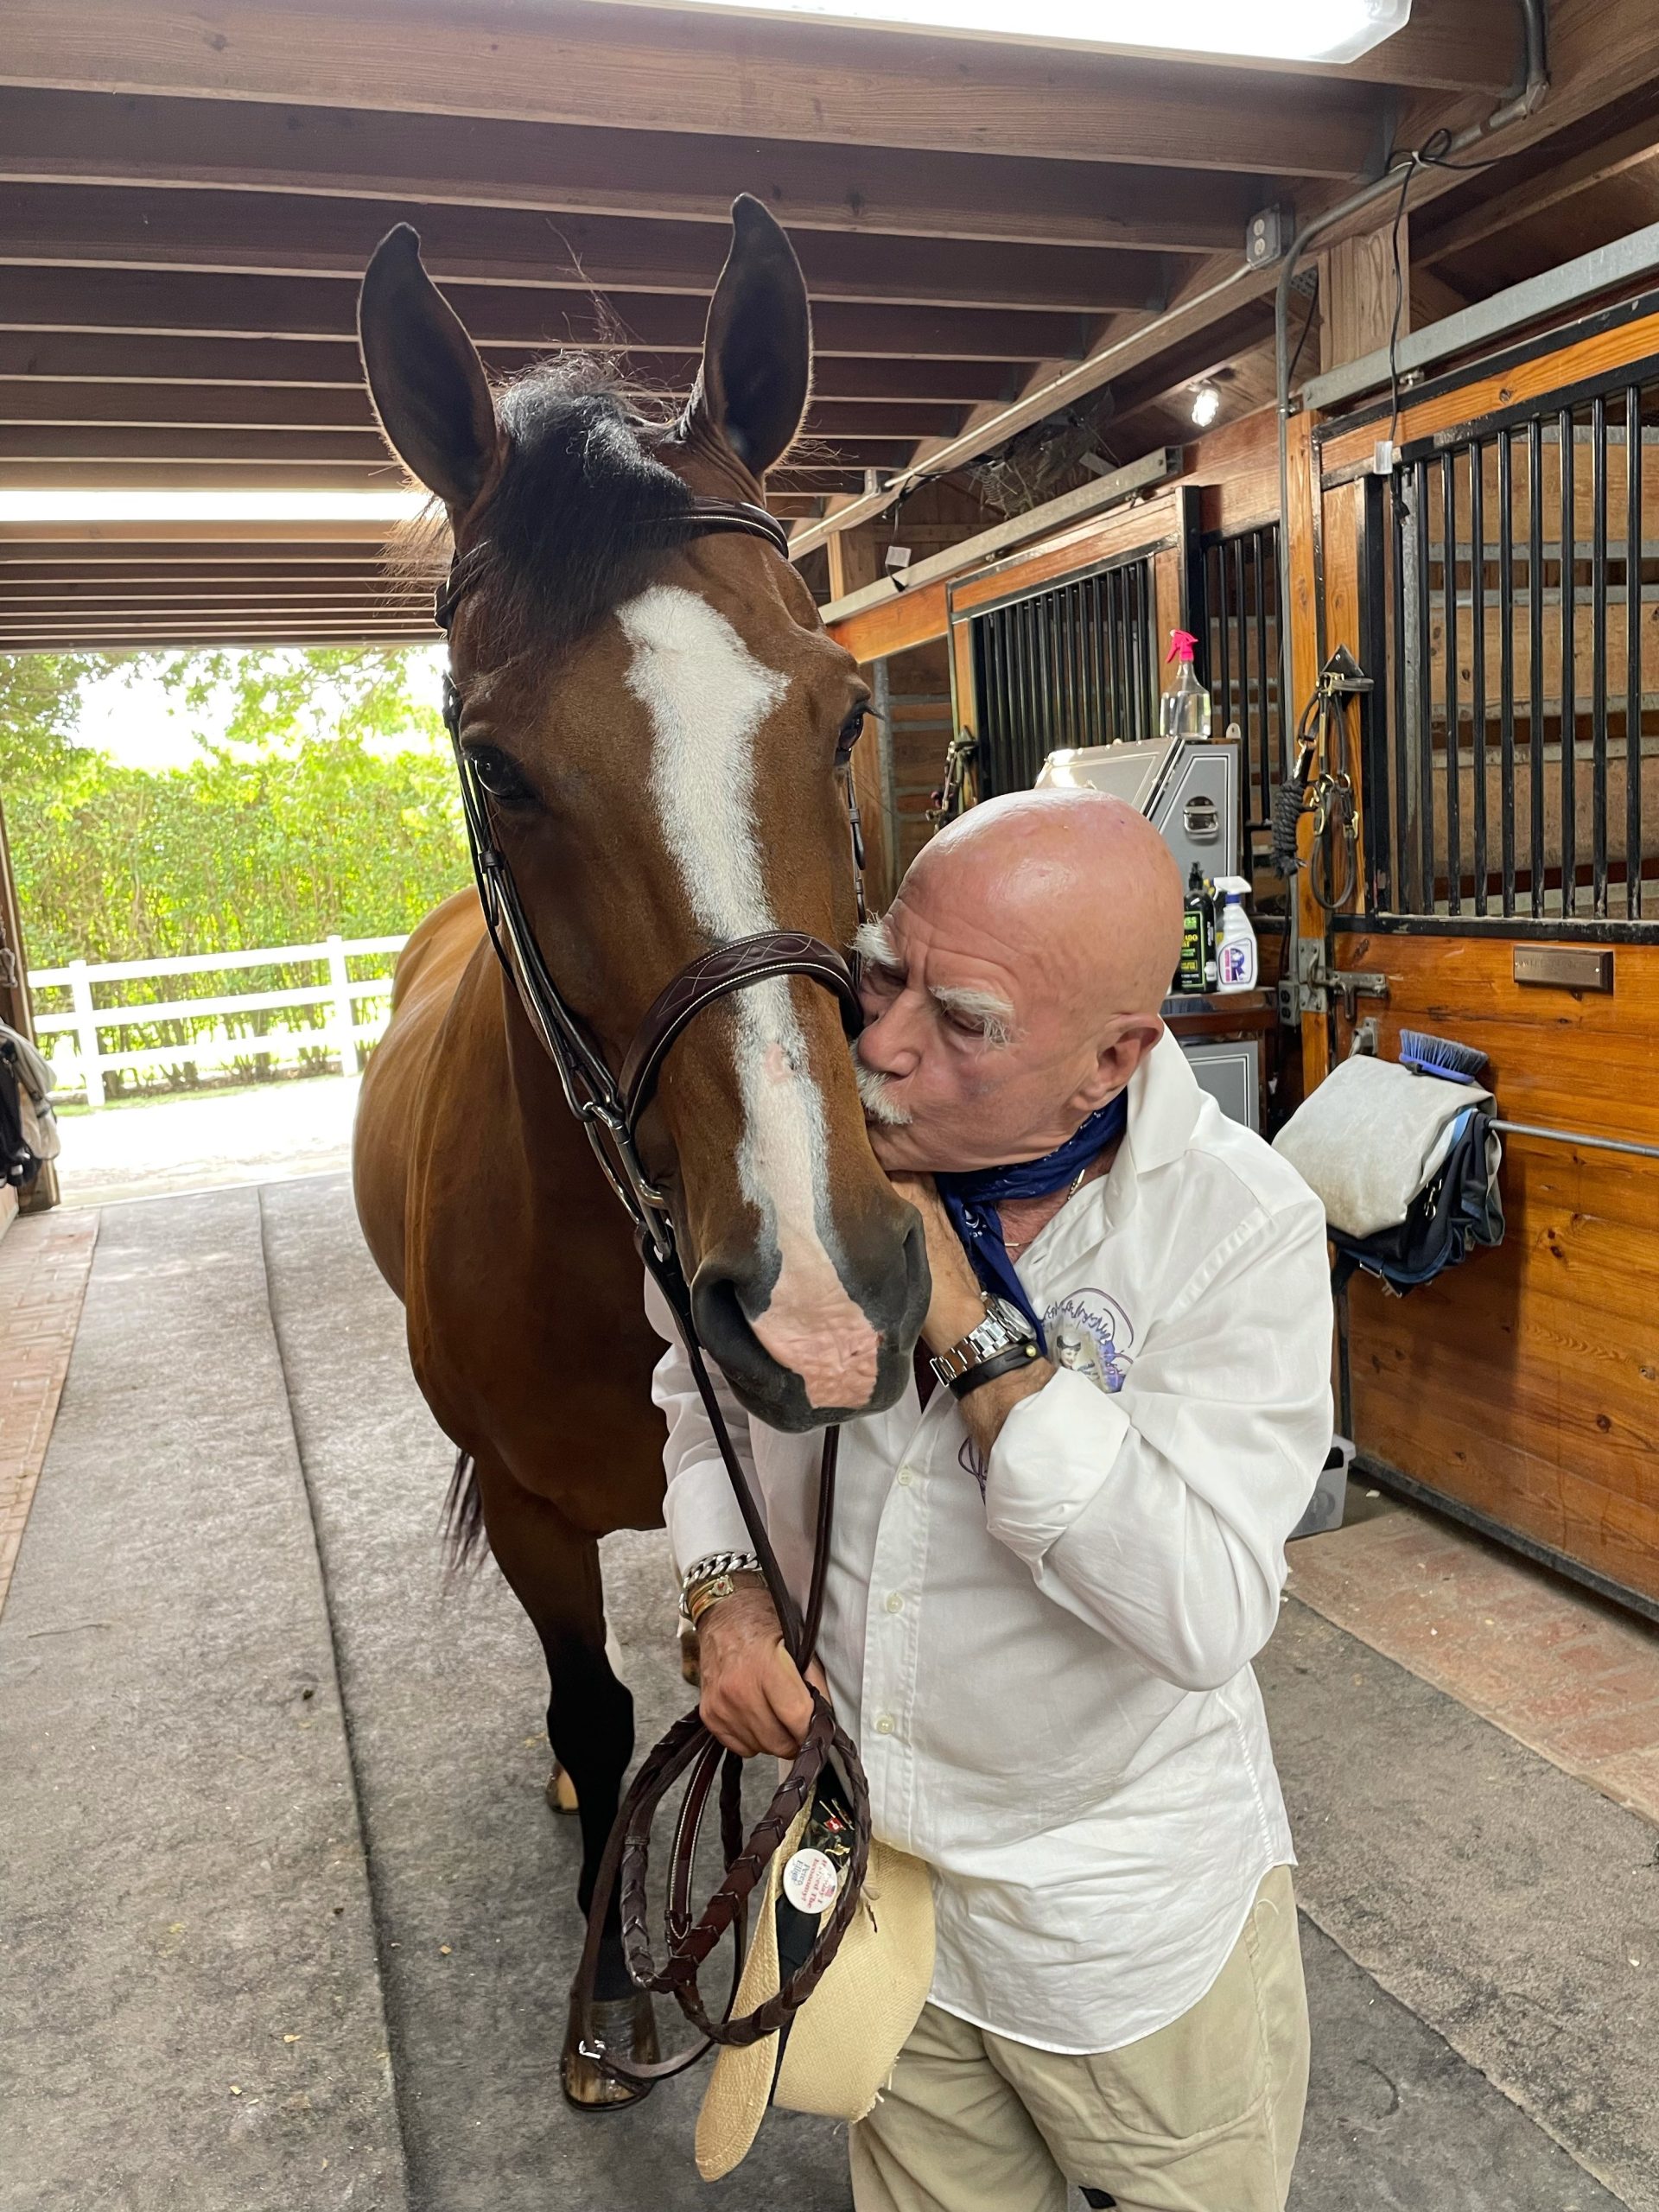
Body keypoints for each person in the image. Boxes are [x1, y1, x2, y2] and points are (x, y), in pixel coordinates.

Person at [650, 788, 1334, 2212]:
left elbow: (1207, 1614)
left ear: (1112, 1059)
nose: (881, 1047)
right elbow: (696, 1390)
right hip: (881, 1891)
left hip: (1115, 1931)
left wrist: (971, 1329)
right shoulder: (789, 1157)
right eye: (881, 973)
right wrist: (726, 1594)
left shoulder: (1235, 1225)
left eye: (961, 1022)